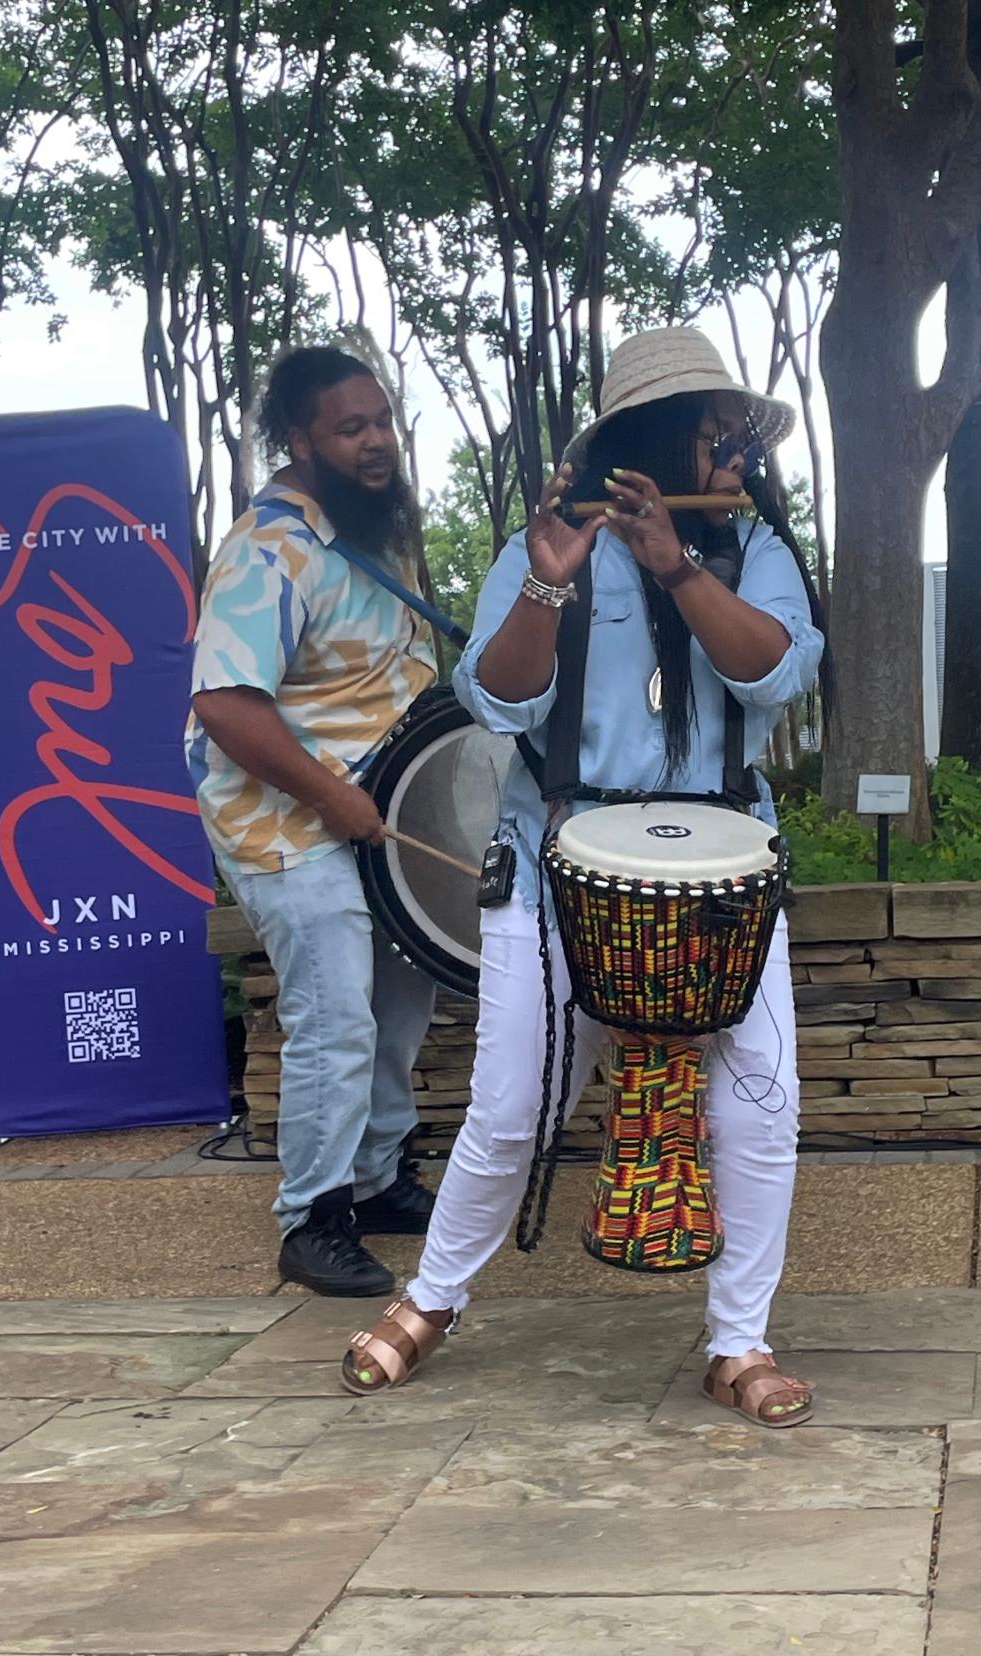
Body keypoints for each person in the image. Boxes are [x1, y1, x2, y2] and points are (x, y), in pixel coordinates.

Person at [339, 326, 830, 1427]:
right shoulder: (548, 542)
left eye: (744, 435)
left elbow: (773, 675)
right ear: (660, 438)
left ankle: (737, 1340)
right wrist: (547, 591)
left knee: (760, 1109)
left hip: (727, 871)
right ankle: (434, 1300)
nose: (742, 454)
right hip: (561, 860)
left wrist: (675, 564)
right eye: (723, 434)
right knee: (513, 1108)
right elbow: (497, 704)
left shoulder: (752, 550)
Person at [188, 345, 440, 1297]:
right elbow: (224, 703)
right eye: (352, 428)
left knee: (397, 1005)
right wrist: (334, 796)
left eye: (382, 421)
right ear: (300, 439)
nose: (377, 442)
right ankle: (313, 1216)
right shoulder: (267, 548)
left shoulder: (365, 529)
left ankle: (376, 1180)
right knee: (336, 1016)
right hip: (287, 825)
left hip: (376, 815)